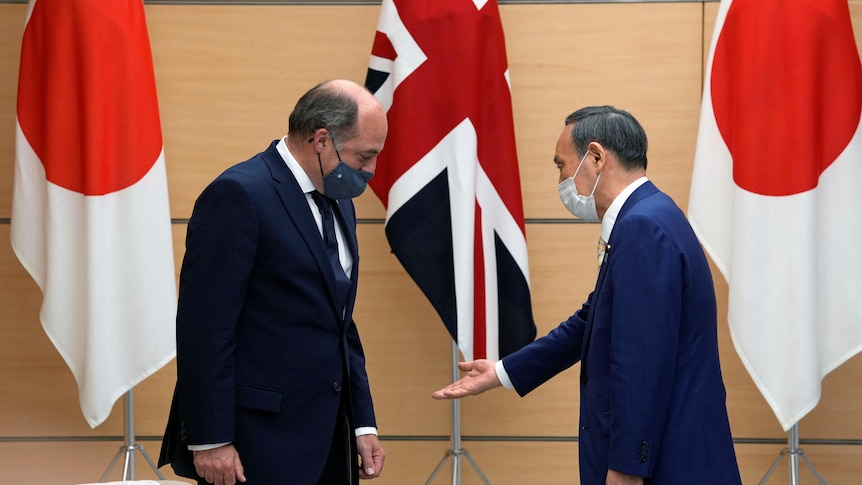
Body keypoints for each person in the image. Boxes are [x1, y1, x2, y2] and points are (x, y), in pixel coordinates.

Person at [432, 106, 741, 485]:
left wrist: (627, 467)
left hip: (669, 464)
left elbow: (641, 359)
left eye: (561, 165)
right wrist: (501, 371)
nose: (561, 178)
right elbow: (590, 321)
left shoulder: (642, 228)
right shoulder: (652, 215)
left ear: (596, 157)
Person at [158, 79, 387, 485]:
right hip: (256, 446)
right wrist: (210, 439)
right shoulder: (239, 194)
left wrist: (361, 423)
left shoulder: (339, 203)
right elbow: (205, 328)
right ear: (321, 140)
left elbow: (339, 322)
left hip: (330, 441)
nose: (370, 172)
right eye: (364, 157)